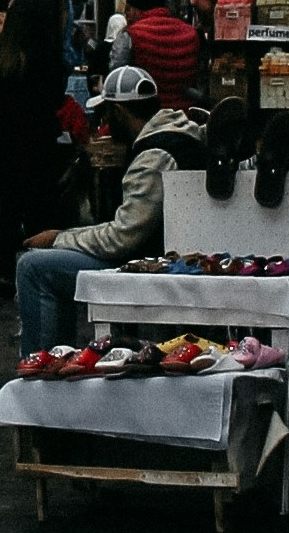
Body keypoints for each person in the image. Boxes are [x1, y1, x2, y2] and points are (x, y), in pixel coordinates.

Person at [14, 61, 208, 353]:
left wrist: (59, 238)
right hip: (169, 255)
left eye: (106, 113)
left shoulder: (154, 155)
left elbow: (123, 238)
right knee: (44, 262)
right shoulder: (181, 132)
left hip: (151, 264)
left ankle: (40, 372)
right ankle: (57, 359)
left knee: (34, 267)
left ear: (118, 111)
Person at [0, 0, 69, 282]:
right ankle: (40, 267)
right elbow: (56, 98)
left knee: (9, 206)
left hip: (3, 140)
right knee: (41, 207)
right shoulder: (50, 57)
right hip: (40, 140)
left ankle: (3, 269)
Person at [124, 0, 201, 104]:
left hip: (145, 115)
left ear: (138, 9)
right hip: (184, 114)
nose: (127, 17)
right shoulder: (191, 33)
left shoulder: (131, 35)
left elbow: (117, 75)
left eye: (128, 11)